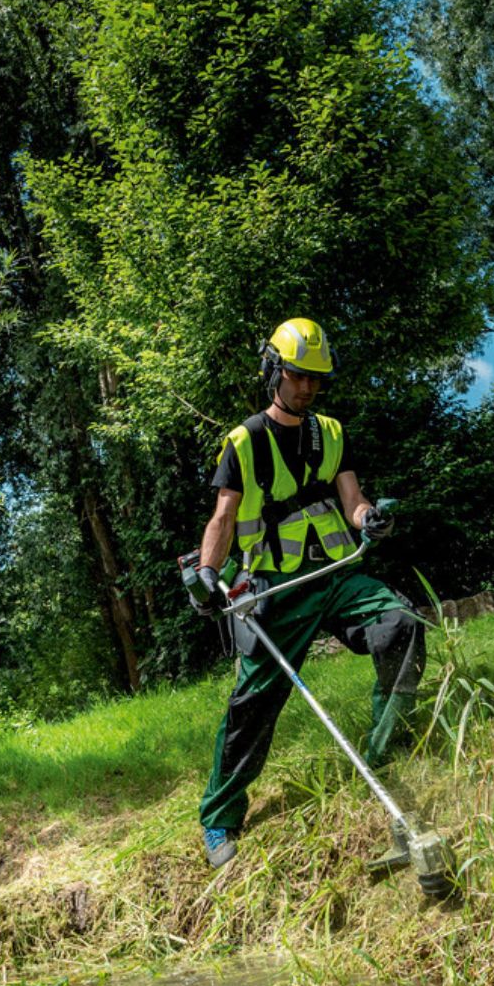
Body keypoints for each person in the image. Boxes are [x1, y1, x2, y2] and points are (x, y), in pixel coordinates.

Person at [193, 317, 425, 868]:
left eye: (316, 378)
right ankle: (219, 819)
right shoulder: (244, 442)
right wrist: (208, 572)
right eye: (298, 375)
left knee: (402, 627)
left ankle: (384, 754)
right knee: (252, 705)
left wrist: (370, 518)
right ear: (275, 371)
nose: (308, 387)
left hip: (337, 573)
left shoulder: (331, 433)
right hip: (278, 588)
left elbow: (353, 499)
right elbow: (223, 518)